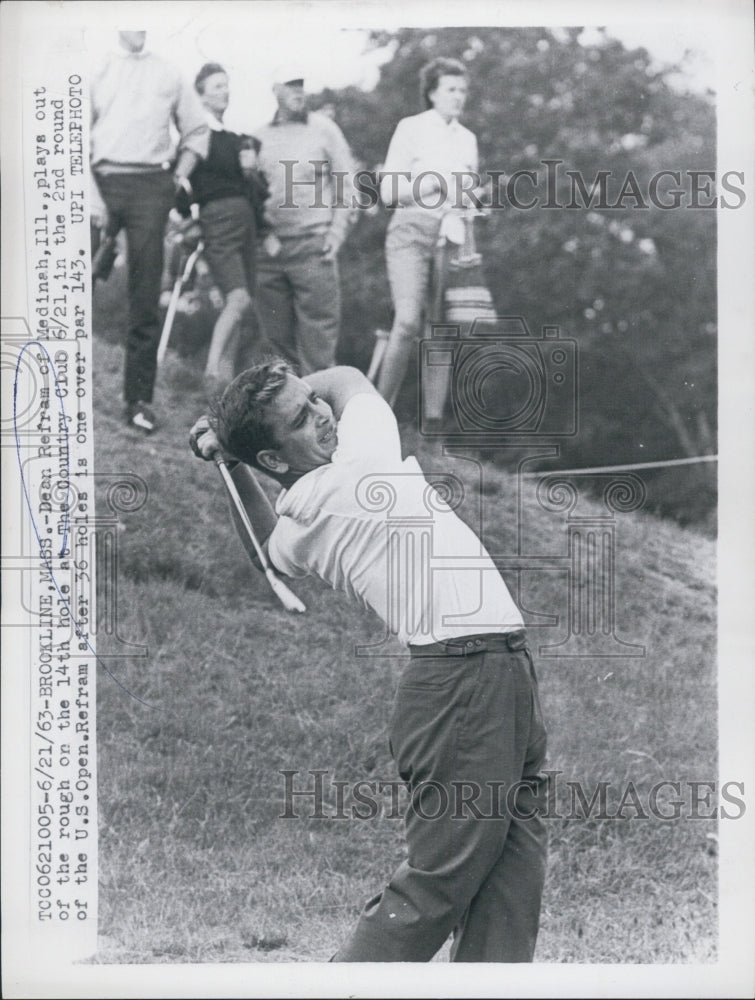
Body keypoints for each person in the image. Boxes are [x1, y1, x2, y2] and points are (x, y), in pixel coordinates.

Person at [189, 361, 549, 962]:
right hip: (465, 681)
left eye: (312, 402)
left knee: (512, 877)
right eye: (302, 418)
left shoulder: (302, 510)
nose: (322, 414)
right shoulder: (359, 467)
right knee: (437, 884)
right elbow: (351, 377)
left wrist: (232, 456)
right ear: (275, 460)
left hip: (494, 670)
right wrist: (235, 440)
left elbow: (267, 553)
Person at [90, 29, 209, 434]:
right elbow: (68, 136)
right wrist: (91, 198)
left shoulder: (169, 72)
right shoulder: (95, 65)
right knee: (71, 284)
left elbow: (196, 131)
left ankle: (138, 400)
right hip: (96, 180)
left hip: (150, 189)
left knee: (145, 295)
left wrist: (176, 179)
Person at [376, 57, 481, 425]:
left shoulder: (468, 139)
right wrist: (435, 183)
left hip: (453, 236)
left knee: (441, 331)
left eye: (463, 90)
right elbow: (389, 191)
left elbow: (469, 195)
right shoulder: (412, 128)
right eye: (451, 89)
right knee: (406, 322)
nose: (458, 97)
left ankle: (433, 426)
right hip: (411, 229)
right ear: (432, 93)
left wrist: (471, 200)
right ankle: (377, 411)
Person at [186, 63, 280, 397]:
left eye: (226, 85)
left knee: (240, 304)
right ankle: (211, 371)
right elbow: (183, 183)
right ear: (200, 94)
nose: (224, 91)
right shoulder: (196, 133)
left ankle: (222, 392)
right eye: (216, 87)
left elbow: (254, 188)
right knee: (238, 299)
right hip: (219, 221)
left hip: (246, 223)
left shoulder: (238, 138)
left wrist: (264, 228)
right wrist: (187, 219)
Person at [253, 67, 355, 374]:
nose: (299, 91)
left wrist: (336, 233)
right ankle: (288, 417)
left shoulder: (324, 129)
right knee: (276, 349)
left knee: (319, 347)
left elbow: (346, 184)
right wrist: (262, 233)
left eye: (301, 85)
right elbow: (248, 193)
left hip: (313, 246)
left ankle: (323, 416)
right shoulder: (257, 137)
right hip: (269, 253)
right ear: (275, 89)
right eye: (291, 85)